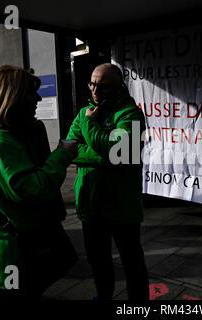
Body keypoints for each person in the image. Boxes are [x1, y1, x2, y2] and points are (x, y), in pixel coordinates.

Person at [0, 65, 78, 299]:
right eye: (32, 93)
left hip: (29, 246)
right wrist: (62, 153)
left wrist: (37, 131)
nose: (39, 99)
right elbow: (33, 189)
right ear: (12, 97)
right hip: (15, 255)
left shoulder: (17, 133)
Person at [66, 63, 149, 300]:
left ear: (119, 86)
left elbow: (122, 153)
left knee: (132, 262)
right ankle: (103, 296)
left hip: (122, 206)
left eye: (102, 86)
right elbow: (69, 148)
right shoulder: (84, 112)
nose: (94, 90)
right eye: (92, 83)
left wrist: (91, 128)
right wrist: (105, 154)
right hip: (91, 204)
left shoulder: (131, 114)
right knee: (98, 261)